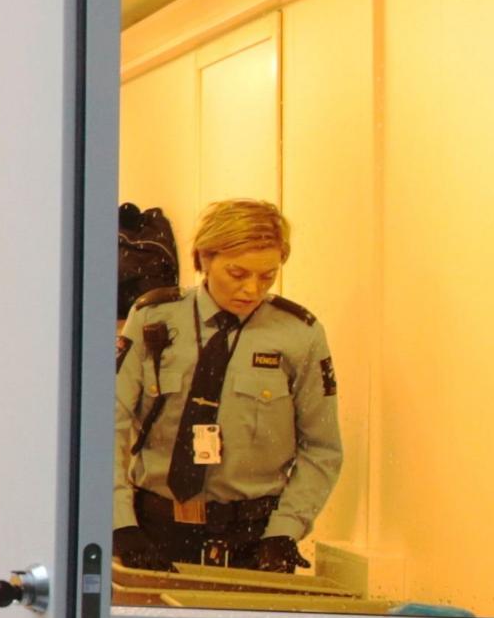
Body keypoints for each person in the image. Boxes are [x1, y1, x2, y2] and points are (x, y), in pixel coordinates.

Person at [115, 197, 342, 572]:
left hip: (254, 539)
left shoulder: (299, 334)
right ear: (204, 258)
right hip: (155, 532)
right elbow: (110, 426)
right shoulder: (153, 317)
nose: (252, 290)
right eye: (238, 274)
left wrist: (285, 531)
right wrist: (119, 523)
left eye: (267, 276)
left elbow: (323, 448)